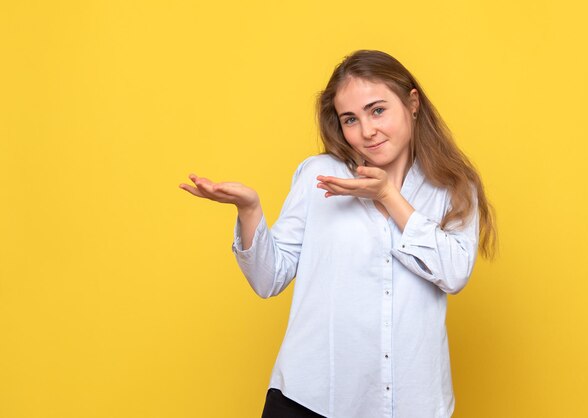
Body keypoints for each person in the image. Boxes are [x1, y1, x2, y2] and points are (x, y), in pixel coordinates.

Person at [179, 49, 497, 418]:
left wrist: (387, 196)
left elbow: (454, 272)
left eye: (378, 110)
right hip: (311, 400)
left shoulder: (453, 187)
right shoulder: (319, 175)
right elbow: (268, 280)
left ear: (412, 103)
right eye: (350, 119)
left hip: (413, 403)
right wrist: (249, 210)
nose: (367, 131)